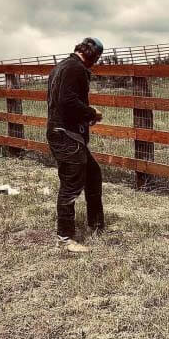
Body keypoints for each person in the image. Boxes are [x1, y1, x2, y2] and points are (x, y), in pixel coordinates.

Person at [46, 37, 105, 252]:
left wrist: (85, 118)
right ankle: (65, 238)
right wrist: (92, 113)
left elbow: (62, 101)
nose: (95, 64)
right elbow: (67, 102)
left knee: (93, 173)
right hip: (66, 135)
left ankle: (97, 224)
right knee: (71, 185)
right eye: (96, 59)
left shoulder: (61, 67)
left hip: (63, 132)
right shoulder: (76, 69)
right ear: (93, 55)